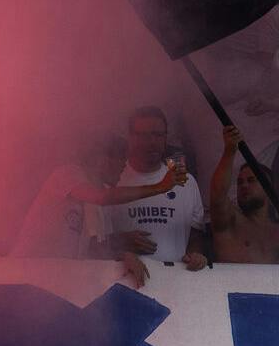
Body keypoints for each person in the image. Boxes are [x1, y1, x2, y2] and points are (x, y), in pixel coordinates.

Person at [9, 135, 188, 259]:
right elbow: (100, 197)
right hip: (25, 274)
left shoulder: (102, 197)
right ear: (100, 159)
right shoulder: (67, 174)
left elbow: (96, 248)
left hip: (61, 281)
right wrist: (160, 187)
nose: (124, 166)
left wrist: (123, 245)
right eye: (121, 158)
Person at [102, 105, 209, 270]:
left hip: (175, 280)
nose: (151, 142)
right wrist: (120, 241)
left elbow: (195, 235)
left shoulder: (186, 182)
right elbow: (92, 241)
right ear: (130, 138)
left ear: (166, 137)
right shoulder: (114, 179)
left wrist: (196, 256)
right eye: (143, 135)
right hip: (124, 278)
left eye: (157, 135)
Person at [211, 125, 279, 264]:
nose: (244, 186)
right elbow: (218, 195)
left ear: (268, 187)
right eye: (240, 182)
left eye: (251, 180)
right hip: (232, 279)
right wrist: (229, 151)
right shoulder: (231, 221)